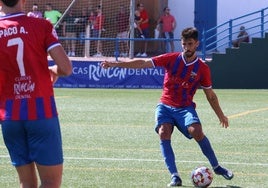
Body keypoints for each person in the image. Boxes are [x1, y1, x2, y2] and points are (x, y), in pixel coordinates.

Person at [100, 27, 234, 187]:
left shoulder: (202, 68)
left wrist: (221, 115)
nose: (187, 48)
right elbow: (143, 63)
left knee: (196, 131)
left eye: (190, 44)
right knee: (163, 132)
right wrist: (116, 64)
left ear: (197, 44)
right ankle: (175, 176)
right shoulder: (171, 58)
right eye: (184, 44)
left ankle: (217, 167)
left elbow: (210, 95)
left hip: (185, 108)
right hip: (165, 105)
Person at [0, 0, 72, 187]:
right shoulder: (41, 25)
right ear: (23, 0)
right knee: (50, 182)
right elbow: (66, 68)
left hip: (9, 115)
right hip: (41, 113)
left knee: (27, 183)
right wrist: (53, 71)